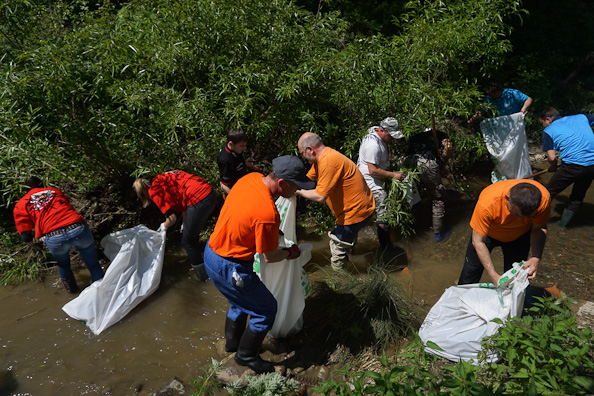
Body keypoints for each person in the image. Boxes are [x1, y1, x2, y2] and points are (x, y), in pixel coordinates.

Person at [204, 155, 314, 374]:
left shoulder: (251, 178)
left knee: (239, 302)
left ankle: (231, 346)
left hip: (212, 251)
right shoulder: (268, 214)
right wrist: (290, 252)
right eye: (296, 186)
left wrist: (273, 233)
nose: (297, 192)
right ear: (282, 183)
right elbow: (269, 256)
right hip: (231, 265)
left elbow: (247, 215)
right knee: (266, 309)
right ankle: (245, 356)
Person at [297, 132, 375, 270]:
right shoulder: (323, 157)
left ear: (310, 149)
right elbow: (308, 179)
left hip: (354, 213)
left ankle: (340, 280)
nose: (302, 156)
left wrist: (297, 191)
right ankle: (349, 254)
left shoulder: (328, 162)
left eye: (302, 153)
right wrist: (292, 183)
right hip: (363, 207)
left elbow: (320, 197)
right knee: (348, 240)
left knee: (337, 247)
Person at [13, 177, 104, 293]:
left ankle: (73, 294)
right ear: (42, 184)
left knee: (63, 265)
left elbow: (25, 233)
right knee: (93, 264)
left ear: (25, 190)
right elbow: (66, 204)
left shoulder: (21, 204)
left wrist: (33, 246)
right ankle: (102, 291)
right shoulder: (54, 191)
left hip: (54, 237)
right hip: (76, 228)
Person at [457, 180, 550, 286]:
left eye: (527, 216)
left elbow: (538, 228)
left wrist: (536, 257)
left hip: (519, 237)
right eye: (515, 213)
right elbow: (478, 242)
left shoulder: (543, 200)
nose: (519, 219)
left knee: (514, 278)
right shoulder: (488, 203)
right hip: (488, 235)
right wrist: (493, 275)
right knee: (471, 272)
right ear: (507, 198)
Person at [133, 170, 217, 281]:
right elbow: (183, 197)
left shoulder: (154, 191)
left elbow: (172, 219)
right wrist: (185, 221)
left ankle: (204, 278)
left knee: (187, 242)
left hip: (199, 199)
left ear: (144, 192)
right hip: (209, 192)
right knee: (192, 236)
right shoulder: (163, 177)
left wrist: (163, 226)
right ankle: (208, 263)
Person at [538, 107, 594, 228]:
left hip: (573, 166)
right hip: (592, 165)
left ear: (548, 119)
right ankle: (563, 226)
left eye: (542, 123)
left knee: (548, 193)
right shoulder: (581, 117)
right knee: (577, 196)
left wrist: (553, 167)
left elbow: (552, 158)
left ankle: (536, 223)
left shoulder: (549, 131)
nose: (543, 126)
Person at [356, 117, 406, 250]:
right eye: (391, 135)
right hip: (369, 182)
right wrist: (394, 175)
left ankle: (353, 240)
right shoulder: (373, 145)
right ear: (382, 131)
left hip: (367, 179)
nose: (392, 139)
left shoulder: (375, 132)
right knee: (384, 211)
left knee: (362, 214)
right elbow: (373, 170)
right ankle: (386, 247)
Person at [406, 126, 453, 241]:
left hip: (409, 161)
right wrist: (443, 164)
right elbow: (449, 147)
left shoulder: (415, 137)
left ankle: (415, 226)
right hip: (427, 162)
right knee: (438, 197)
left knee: (413, 193)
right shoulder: (439, 134)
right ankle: (439, 234)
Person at [217, 128, 261, 196]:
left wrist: (252, 166)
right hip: (234, 187)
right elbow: (223, 185)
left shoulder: (236, 148)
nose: (245, 148)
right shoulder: (225, 161)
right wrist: (236, 197)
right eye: (242, 146)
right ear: (231, 144)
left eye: (245, 145)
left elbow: (240, 159)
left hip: (243, 178)